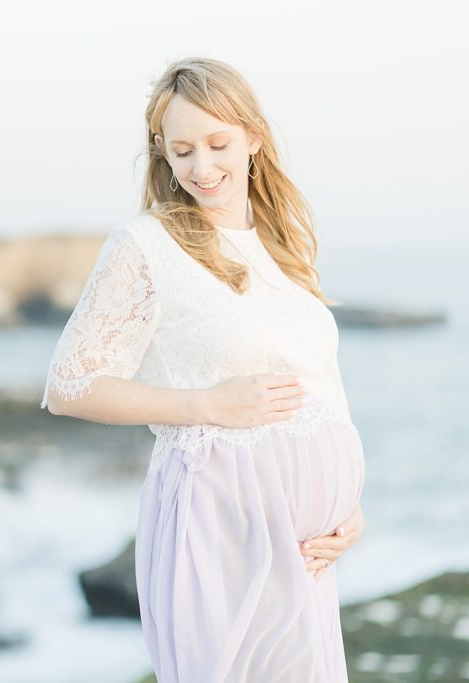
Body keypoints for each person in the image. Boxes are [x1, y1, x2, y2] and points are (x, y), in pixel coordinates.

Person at [40, 57, 366, 681]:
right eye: (181, 150)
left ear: (253, 140)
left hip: (304, 547)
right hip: (219, 518)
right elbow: (69, 384)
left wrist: (353, 507)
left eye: (218, 144)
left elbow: (322, 383)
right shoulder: (147, 244)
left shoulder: (282, 243)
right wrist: (206, 405)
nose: (201, 167)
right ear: (162, 154)